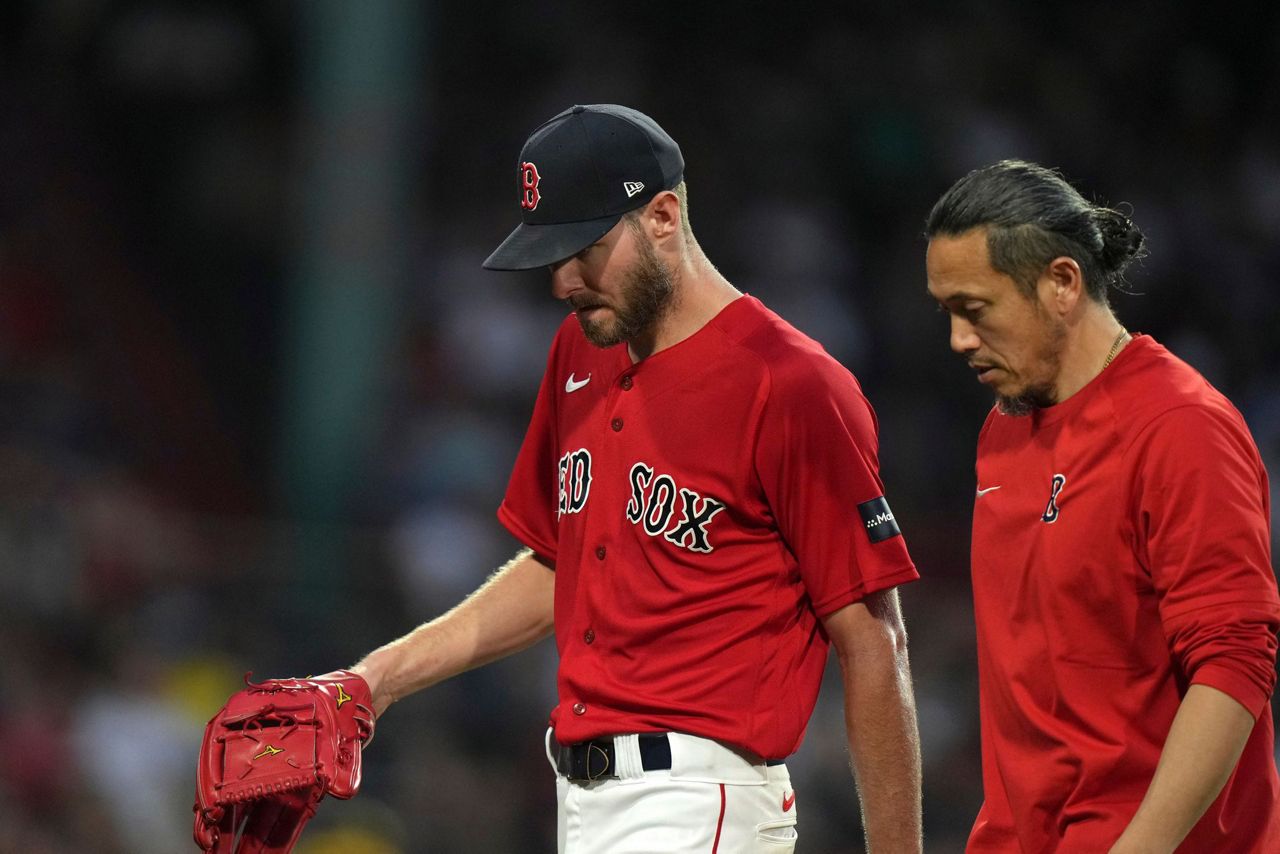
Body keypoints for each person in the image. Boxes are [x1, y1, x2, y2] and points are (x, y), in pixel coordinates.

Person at [351, 104, 924, 853]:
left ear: (661, 214)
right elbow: (559, 565)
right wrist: (375, 679)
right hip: (583, 802)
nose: (561, 280)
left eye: (582, 249)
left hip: (702, 795)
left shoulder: (789, 384)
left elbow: (874, 639)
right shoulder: (580, 351)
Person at [924, 159, 1280, 853]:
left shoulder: (1180, 426)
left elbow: (1234, 664)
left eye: (976, 309)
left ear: (1062, 282)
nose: (959, 340)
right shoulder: (1002, 431)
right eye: (948, 314)